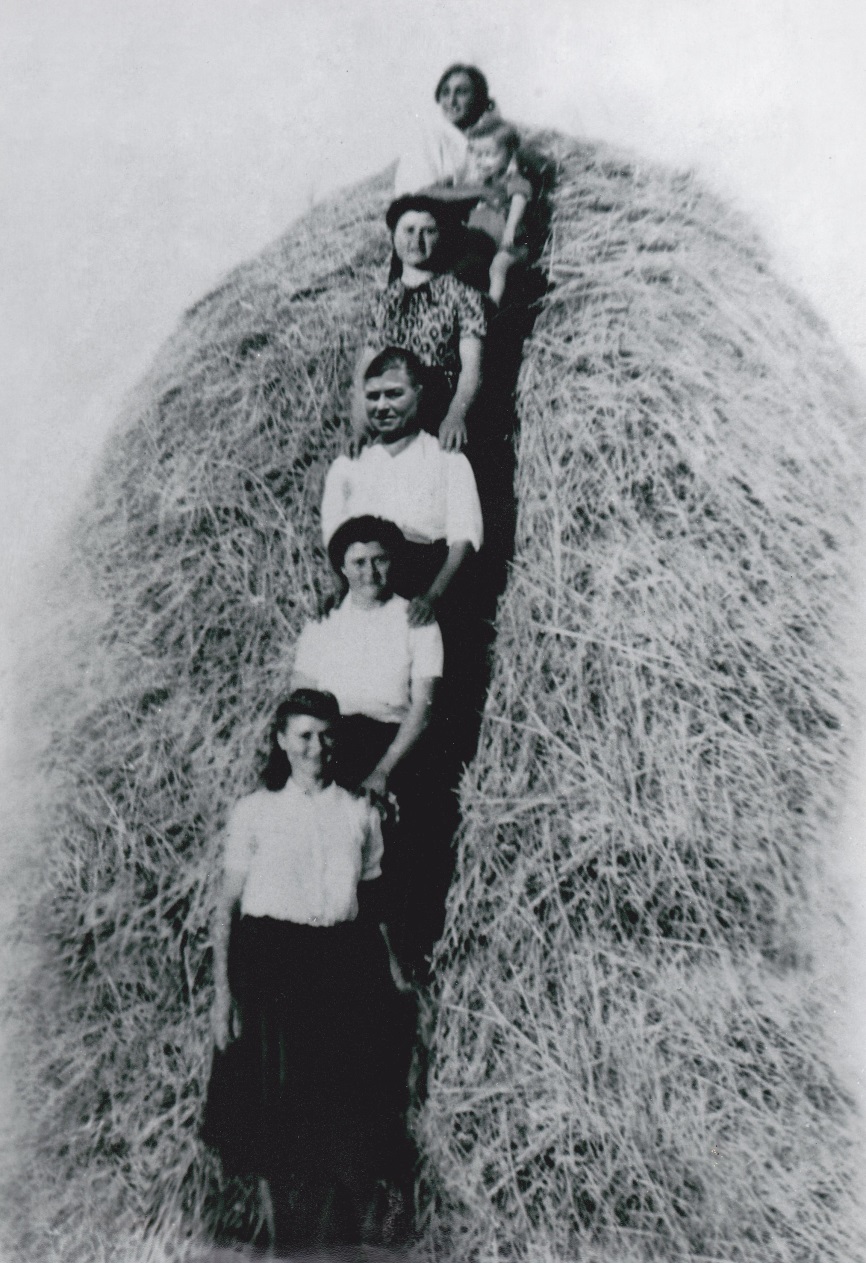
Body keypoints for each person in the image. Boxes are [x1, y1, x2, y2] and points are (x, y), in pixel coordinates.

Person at [202, 690, 415, 1250]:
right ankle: (283, 1243)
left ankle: (337, 1242)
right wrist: (224, 997)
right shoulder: (254, 812)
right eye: (303, 736)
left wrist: (396, 975)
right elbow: (226, 909)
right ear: (281, 740)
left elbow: (374, 903)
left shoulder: (360, 812)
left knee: (340, 1105)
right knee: (273, 1110)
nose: (316, 748)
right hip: (271, 966)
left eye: (325, 736)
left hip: (339, 964)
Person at [293, 514, 443, 799]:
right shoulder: (323, 620)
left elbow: (422, 712)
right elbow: (301, 700)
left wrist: (383, 771)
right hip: (330, 741)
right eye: (359, 563)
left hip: (392, 742)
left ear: (393, 561)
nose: (370, 573)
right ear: (342, 568)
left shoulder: (417, 621)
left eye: (380, 560)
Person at [327, 346, 483, 617]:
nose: (382, 407)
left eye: (395, 394)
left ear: (418, 394)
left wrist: (431, 598)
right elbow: (337, 538)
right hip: (368, 583)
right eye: (373, 397)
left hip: (425, 582)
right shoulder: (352, 464)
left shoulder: (447, 459)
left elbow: (464, 539)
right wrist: (340, 591)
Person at [354, 195, 487, 452]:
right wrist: (359, 427)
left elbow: (473, 367)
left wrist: (455, 416)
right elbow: (365, 371)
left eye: (428, 231)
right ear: (393, 236)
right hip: (391, 420)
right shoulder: (382, 302)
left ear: (441, 237)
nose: (416, 240)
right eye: (409, 230)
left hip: (440, 419)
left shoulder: (463, 296)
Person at [394, 63, 496, 196]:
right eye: (445, 93)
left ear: (478, 97)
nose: (451, 101)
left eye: (461, 92)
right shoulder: (429, 137)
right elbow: (420, 192)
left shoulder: (490, 140)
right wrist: (484, 191)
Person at [460, 118, 533, 305]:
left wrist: (510, 228)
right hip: (485, 243)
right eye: (477, 155)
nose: (481, 161)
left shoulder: (511, 179)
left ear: (510, 155)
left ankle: (492, 306)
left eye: (489, 154)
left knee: (498, 267)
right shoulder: (482, 184)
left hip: (510, 244)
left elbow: (519, 198)